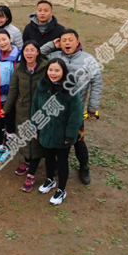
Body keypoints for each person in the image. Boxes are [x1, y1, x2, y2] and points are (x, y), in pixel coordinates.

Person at [40, 29, 103, 185]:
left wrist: (92, 107)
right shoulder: (55, 57)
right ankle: (55, 165)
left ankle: (83, 167)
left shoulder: (88, 60)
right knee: (55, 138)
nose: (67, 43)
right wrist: (50, 45)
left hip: (76, 111)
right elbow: (36, 55)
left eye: (70, 40)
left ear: (77, 41)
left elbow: (97, 82)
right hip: (54, 109)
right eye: (63, 40)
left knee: (77, 140)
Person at [31, 58, 83, 206]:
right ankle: (50, 180)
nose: (53, 73)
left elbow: (76, 114)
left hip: (62, 133)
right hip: (46, 131)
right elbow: (35, 106)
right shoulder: (42, 86)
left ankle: (61, 189)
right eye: (50, 70)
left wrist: (70, 135)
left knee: (62, 161)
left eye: (57, 70)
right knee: (48, 157)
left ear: (63, 72)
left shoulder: (70, 89)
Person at [2, 40, 49, 192]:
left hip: (40, 110)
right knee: (24, 138)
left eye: (32, 50)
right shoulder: (20, 68)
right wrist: (6, 109)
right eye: (26, 50)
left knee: (35, 142)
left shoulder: (46, 68)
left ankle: (31, 175)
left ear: (38, 52)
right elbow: (13, 90)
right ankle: (28, 162)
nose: (29, 53)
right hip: (22, 109)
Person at [0, 29, 21, 165]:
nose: (2, 43)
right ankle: (0, 146)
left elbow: (18, 78)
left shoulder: (18, 56)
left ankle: (8, 148)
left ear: (10, 39)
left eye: (4, 39)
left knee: (10, 122)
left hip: (11, 98)